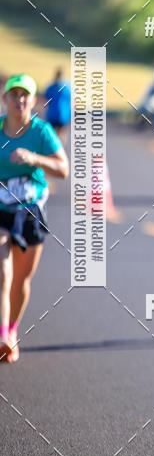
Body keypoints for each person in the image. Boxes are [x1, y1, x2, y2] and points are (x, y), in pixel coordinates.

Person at [0, 75, 69, 363]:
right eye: (14, 94)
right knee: (3, 273)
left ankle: (11, 330)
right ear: (5, 98)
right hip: (1, 210)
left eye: (25, 94)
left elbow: (63, 169)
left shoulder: (41, 131)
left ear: (34, 100)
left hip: (30, 212)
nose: (19, 100)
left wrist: (34, 159)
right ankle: (2, 336)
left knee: (21, 281)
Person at [44, 68, 71, 144]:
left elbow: (45, 98)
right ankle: (59, 148)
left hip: (54, 114)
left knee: (53, 134)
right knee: (60, 133)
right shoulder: (66, 87)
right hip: (61, 114)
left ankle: (56, 147)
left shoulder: (52, 87)